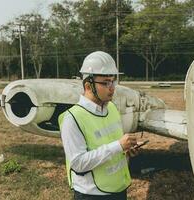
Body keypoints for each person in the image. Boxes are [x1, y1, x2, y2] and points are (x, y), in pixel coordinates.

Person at [58, 51, 139, 200]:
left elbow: (111, 146)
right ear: (88, 86)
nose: (112, 87)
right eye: (106, 82)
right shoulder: (72, 118)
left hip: (118, 189)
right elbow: (78, 164)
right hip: (92, 195)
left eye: (113, 81)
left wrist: (126, 150)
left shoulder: (112, 109)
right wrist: (118, 146)